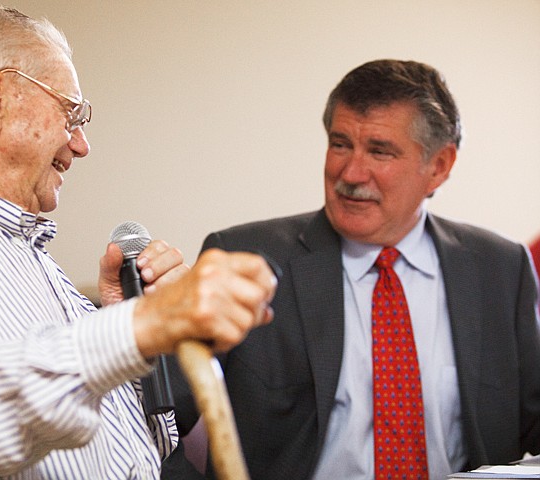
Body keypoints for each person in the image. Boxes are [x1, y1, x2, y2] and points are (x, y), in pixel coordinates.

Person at [0, 6, 278, 479]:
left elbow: (144, 450)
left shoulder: (45, 271)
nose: (81, 144)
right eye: (71, 112)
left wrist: (133, 333)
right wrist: (141, 325)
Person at [162, 59, 540, 480]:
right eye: (340, 144)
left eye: (379, 151)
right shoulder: (242, 258)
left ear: (439, 166)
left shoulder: (500, 270)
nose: (350, 172)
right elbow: (149, 422)